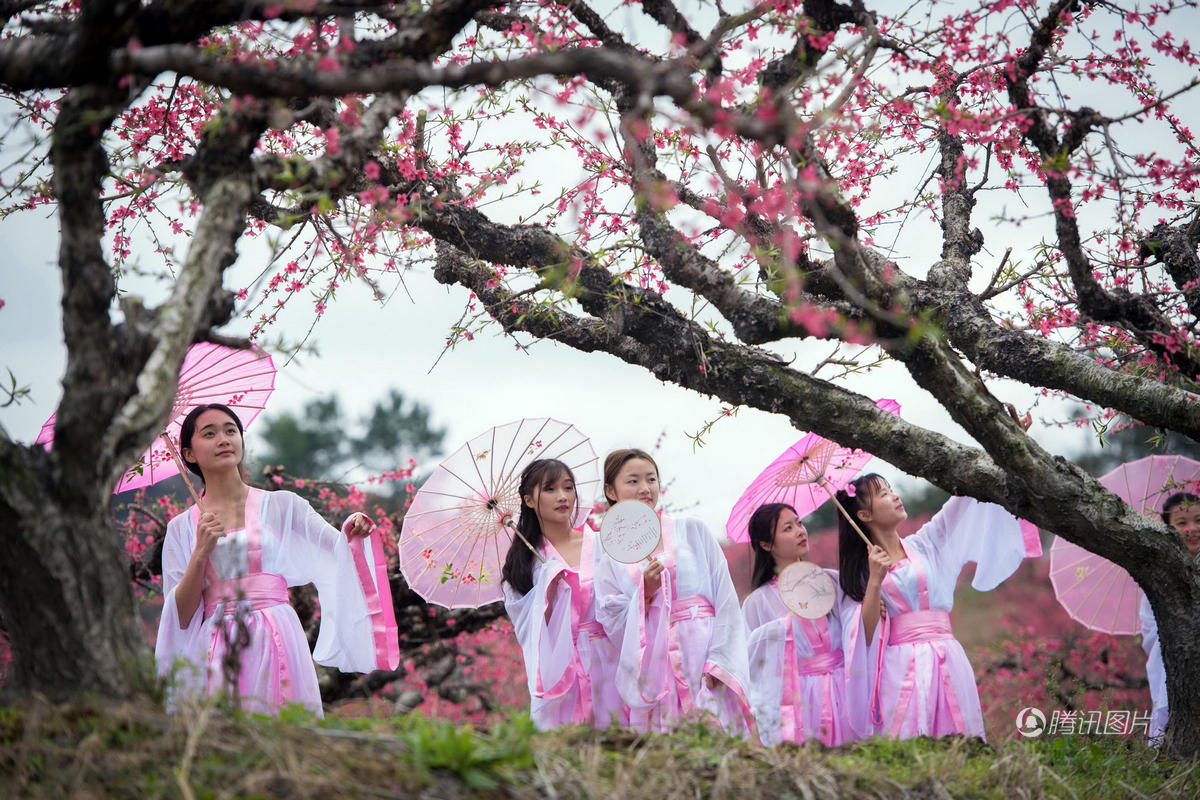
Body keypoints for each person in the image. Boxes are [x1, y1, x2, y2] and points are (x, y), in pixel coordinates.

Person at [154, 403, 398, 716]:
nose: (224, 439)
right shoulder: (182, 528)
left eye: (231, 431)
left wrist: (354, 529)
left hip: (277, 633)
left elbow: (336, 547)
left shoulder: (282, 506)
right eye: (210, 434)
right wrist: (201, 551)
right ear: (188, 453)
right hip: (216, 642)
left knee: (285, 721)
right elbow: (181, 616)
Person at [837, 473, 1041, 739]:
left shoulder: (926, 544)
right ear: (864, 515)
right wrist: (875, 581)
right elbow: (862, 633)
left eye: (891, 490)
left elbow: (965, 500)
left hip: (947, 653)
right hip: (898, 665)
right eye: (884, 494)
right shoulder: (861, 571)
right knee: (906, 736)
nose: (895, 496)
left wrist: (1002, 450)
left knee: (960, 736)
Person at [592, 448, 753, 735]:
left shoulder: (692, 531)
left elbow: (725, 599)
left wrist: (720, 660)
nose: (645, 488)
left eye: (651, 479)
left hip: (704, 654)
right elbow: (612, 621)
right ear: (610, 490)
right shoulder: (610, 559)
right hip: (658, 666)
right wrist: (644, 593)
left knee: (721, 741)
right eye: (633, 481)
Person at [501, 458, 624, 729]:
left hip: (608, 661)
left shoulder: (603, 544)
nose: (562, 496)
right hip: (561, 669)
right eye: (550, 489)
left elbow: (626, 601)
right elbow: (527, 629)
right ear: (529, 500)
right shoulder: (524, 565)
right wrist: (545, 595)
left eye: (568, 488)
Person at [742, 503, 870, 746]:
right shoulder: (758, 602)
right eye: (788, 528)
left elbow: (858, 627)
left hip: (846, 686)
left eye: (799, 523)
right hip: (801, 696)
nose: (801, 531)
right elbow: (751, 658)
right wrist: (783, 627)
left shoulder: (832, 580)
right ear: (767, 544)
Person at [1139, 490, 1200, 745]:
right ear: (1169, 529)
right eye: (1182, 523)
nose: (1193, 529)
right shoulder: (1159, 572)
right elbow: (1151, 630)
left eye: (1199, 520)